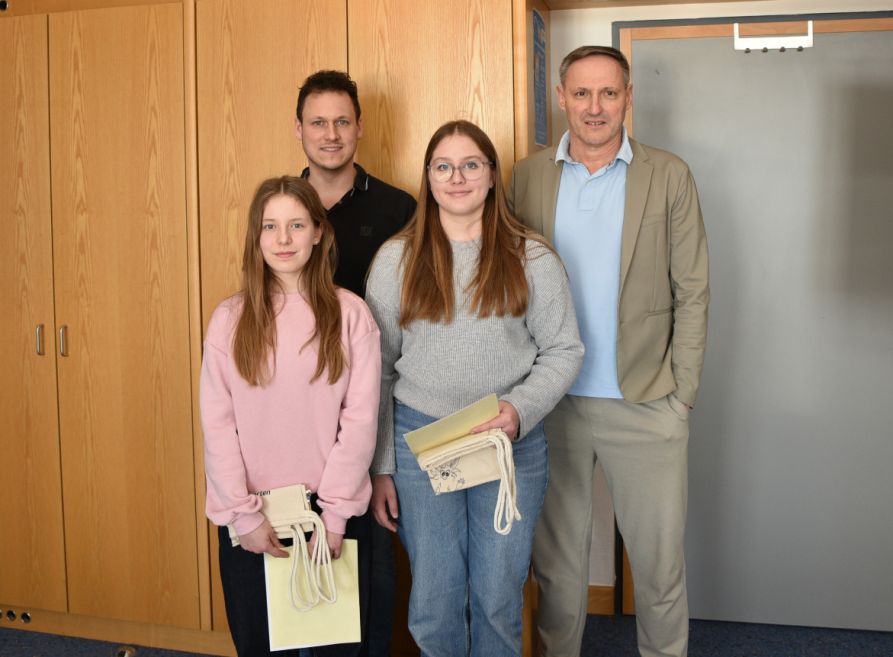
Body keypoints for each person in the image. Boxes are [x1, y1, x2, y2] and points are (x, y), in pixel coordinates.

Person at [508, 46, 709, 657]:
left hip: (646, 401)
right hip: (553, 402)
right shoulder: (527, 176)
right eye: (582, 94)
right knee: (559, 569)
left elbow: (693, 290)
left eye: (609, 93)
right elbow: (506, 284)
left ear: (628, 98)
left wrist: (683, 395)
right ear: (562, 97)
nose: (595, 108)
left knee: (658, 568)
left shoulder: (667, 174)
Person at [366, 120, 584, 657]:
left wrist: (518, 410)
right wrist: (382, 466)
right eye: (443, 166)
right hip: (423, 444)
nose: (456, 177)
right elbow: (379, 369)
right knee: (435, 600)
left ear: (491, 177)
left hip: (507, 443)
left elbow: (564, 350)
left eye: (470, 165)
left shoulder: (531, 257)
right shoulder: (397, 260)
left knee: (497, 596)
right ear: (429, 178)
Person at [201, 176, 381, 657]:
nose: (282, 240)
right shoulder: (229, 319)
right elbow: (218, 427)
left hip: (329, 517)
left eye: (296, 225)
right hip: (253, 519)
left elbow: (360, 422)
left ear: (318, 232)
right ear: (255, 237)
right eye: (270, 227)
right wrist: (243, 515)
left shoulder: (351, 315)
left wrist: (336, 515)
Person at [296, 70, 416, 656]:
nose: (331, 134)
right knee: (299, 552)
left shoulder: (399, 208)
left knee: (369, 562)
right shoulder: (281, 207)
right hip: (296, 411)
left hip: (373, 405)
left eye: (342, 121)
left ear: (360, 128)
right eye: (318, 122)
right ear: (299, 131)